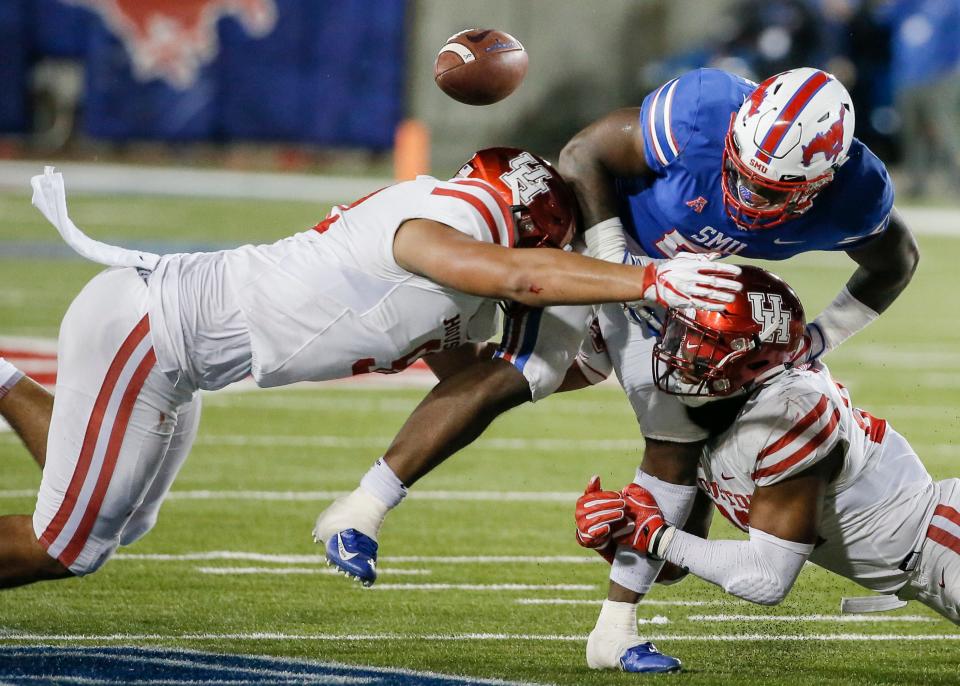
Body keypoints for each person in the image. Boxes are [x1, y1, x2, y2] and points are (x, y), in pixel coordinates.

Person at [313, 66, 920, 674]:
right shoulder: (702, 113)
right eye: (739, 168)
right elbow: (582, 154)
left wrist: (819, 337)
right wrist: (616, 265)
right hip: (607, 244)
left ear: (818, 184)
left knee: (655, 423)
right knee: (550, 377)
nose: (744, 191)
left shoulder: (856, 193)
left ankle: (614, 624)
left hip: (683, 286)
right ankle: (368, 509)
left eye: (768, 190)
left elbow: (896, 260)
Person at [0, 148, 743, 590]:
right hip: (148, 334)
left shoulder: (457, 258)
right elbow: (523, 280)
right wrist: (651, 282)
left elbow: (466, 381)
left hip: (167, 352)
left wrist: (591, 359)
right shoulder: (429, 228)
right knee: (70, 544)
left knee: (115, 526)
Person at [577, 265, 959, 630]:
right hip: (923, 559)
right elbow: (679, 562)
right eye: (682, 332)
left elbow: (767, 578)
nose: (682, 353)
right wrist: (621, 534)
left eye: (705, 343)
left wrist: (656, 535)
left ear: (754, 356)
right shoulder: (705, 405)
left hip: (943, 539)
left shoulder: (788, 414)